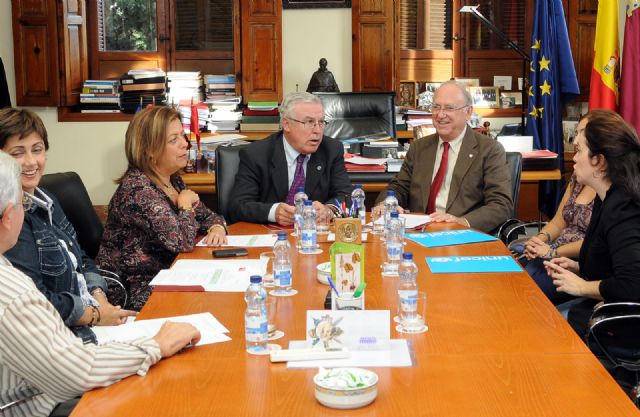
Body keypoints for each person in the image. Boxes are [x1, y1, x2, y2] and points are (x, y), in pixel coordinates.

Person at [0, 151, 200, 417]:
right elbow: (77, 372)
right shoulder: (12, 293)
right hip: (41, 404)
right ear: (10, 216)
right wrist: (156, 346)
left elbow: (83, 259)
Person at [0, 108, 136, 345]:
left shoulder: (48, 199)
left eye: (37, 150)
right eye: (17, 153)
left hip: (97, 317)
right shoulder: (10, 221)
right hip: (66, 336)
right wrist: (94, 315)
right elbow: (38, 301)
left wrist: (99, 298)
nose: (31, 162)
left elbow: (81, 259)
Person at [97, 106, 227, 311]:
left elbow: (211, 217)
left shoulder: (172, 181)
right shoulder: (137, 190)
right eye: (173, 140)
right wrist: (185, 205)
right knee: (216, 301)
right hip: (138, 289)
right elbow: (182, 242)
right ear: (149, 149)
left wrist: (217, 228)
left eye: (183, 136)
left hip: (172, 273)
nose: (185, 144)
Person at [544, 109, 640, 336]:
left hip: (620, 324)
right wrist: (577, 267)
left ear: (599, 162)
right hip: (600, 309)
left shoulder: (624, 207)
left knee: (542, 328)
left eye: (578, 150)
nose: (574, 157)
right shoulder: (605, 196)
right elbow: (614, 264)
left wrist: (581, 287)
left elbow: (633, 284)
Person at [373, 81, 513, 233]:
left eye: (449, 108)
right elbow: (399, 187)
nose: (440, 115)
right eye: (436, 107)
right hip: (419, 235)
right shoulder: (419, 147)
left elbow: (501, 205)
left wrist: (461, 222)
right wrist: (386, 203)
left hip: (462, 237)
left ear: (468, 112)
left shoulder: (489, 150)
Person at [229, 92, 352, 226]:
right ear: (286, 124)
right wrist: (273, 212)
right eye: (309, 122)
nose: (317, 130)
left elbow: (346, 196)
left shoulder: (331, 150)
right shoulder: (256, 154)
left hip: (314, 236)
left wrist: (329, 210)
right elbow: (238, 206)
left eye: (321, 122)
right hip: (271, 237)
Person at [512, 171, 595, 305]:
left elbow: (596, 242)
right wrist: (539, 240)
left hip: (579, 262)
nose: (574, 157)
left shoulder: (615, 189)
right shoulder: (579, 176)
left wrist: (553, 252)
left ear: (599, 158)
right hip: (553, 251)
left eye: (579, 151)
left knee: (522, 290)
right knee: (505, 275)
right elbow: (558, 222)